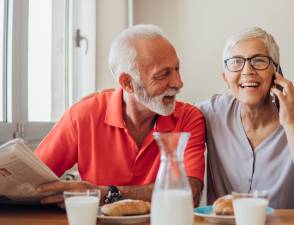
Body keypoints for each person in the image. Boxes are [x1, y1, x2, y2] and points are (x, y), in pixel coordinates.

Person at [35, 24, 205, 206]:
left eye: (177, 69)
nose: (178, 83)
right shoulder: (83, 116)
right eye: (163, 75)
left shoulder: (189, 118)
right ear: (128, 83)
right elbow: (29, 183)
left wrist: (106, 193)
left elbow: (190, 195)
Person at [198, 27, 294, 209]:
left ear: (277, 72)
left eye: (258, 60)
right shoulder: (210, 113)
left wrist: (291, 125)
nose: (247, 70)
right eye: (236, 62)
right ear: (225, 77)